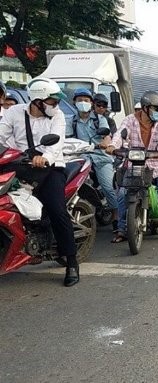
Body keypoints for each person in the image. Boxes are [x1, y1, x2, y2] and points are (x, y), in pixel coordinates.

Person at [0, 78, 79, 286]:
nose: (56, 106)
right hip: (20, 166)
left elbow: (56, 142)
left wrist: (45, 158)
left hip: (50, 169)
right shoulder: (14, 112)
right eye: (52, 102)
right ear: (37, 101)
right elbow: (1, 137)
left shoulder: (58, 116)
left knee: (57, 210)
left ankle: (71, 262)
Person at [107, 91, 158, 243]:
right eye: (156, 108)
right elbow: (120, 135)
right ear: (144, 108)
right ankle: (122, 230)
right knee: (122, 194)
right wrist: (112, 146)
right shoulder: (129, 120)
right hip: (135, 163)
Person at [67, 88, 119, 232]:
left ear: (91, 103)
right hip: (80, 158)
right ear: (74, 102)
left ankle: (116, 218)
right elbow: (67, 139)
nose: (83, 103)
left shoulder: (100, 119)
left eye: (86, 100)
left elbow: (107, 136)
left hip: (101, 157)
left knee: (108, 187)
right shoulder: (70, 121)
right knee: (72, 187)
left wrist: (106, 143)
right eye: (79, 100)